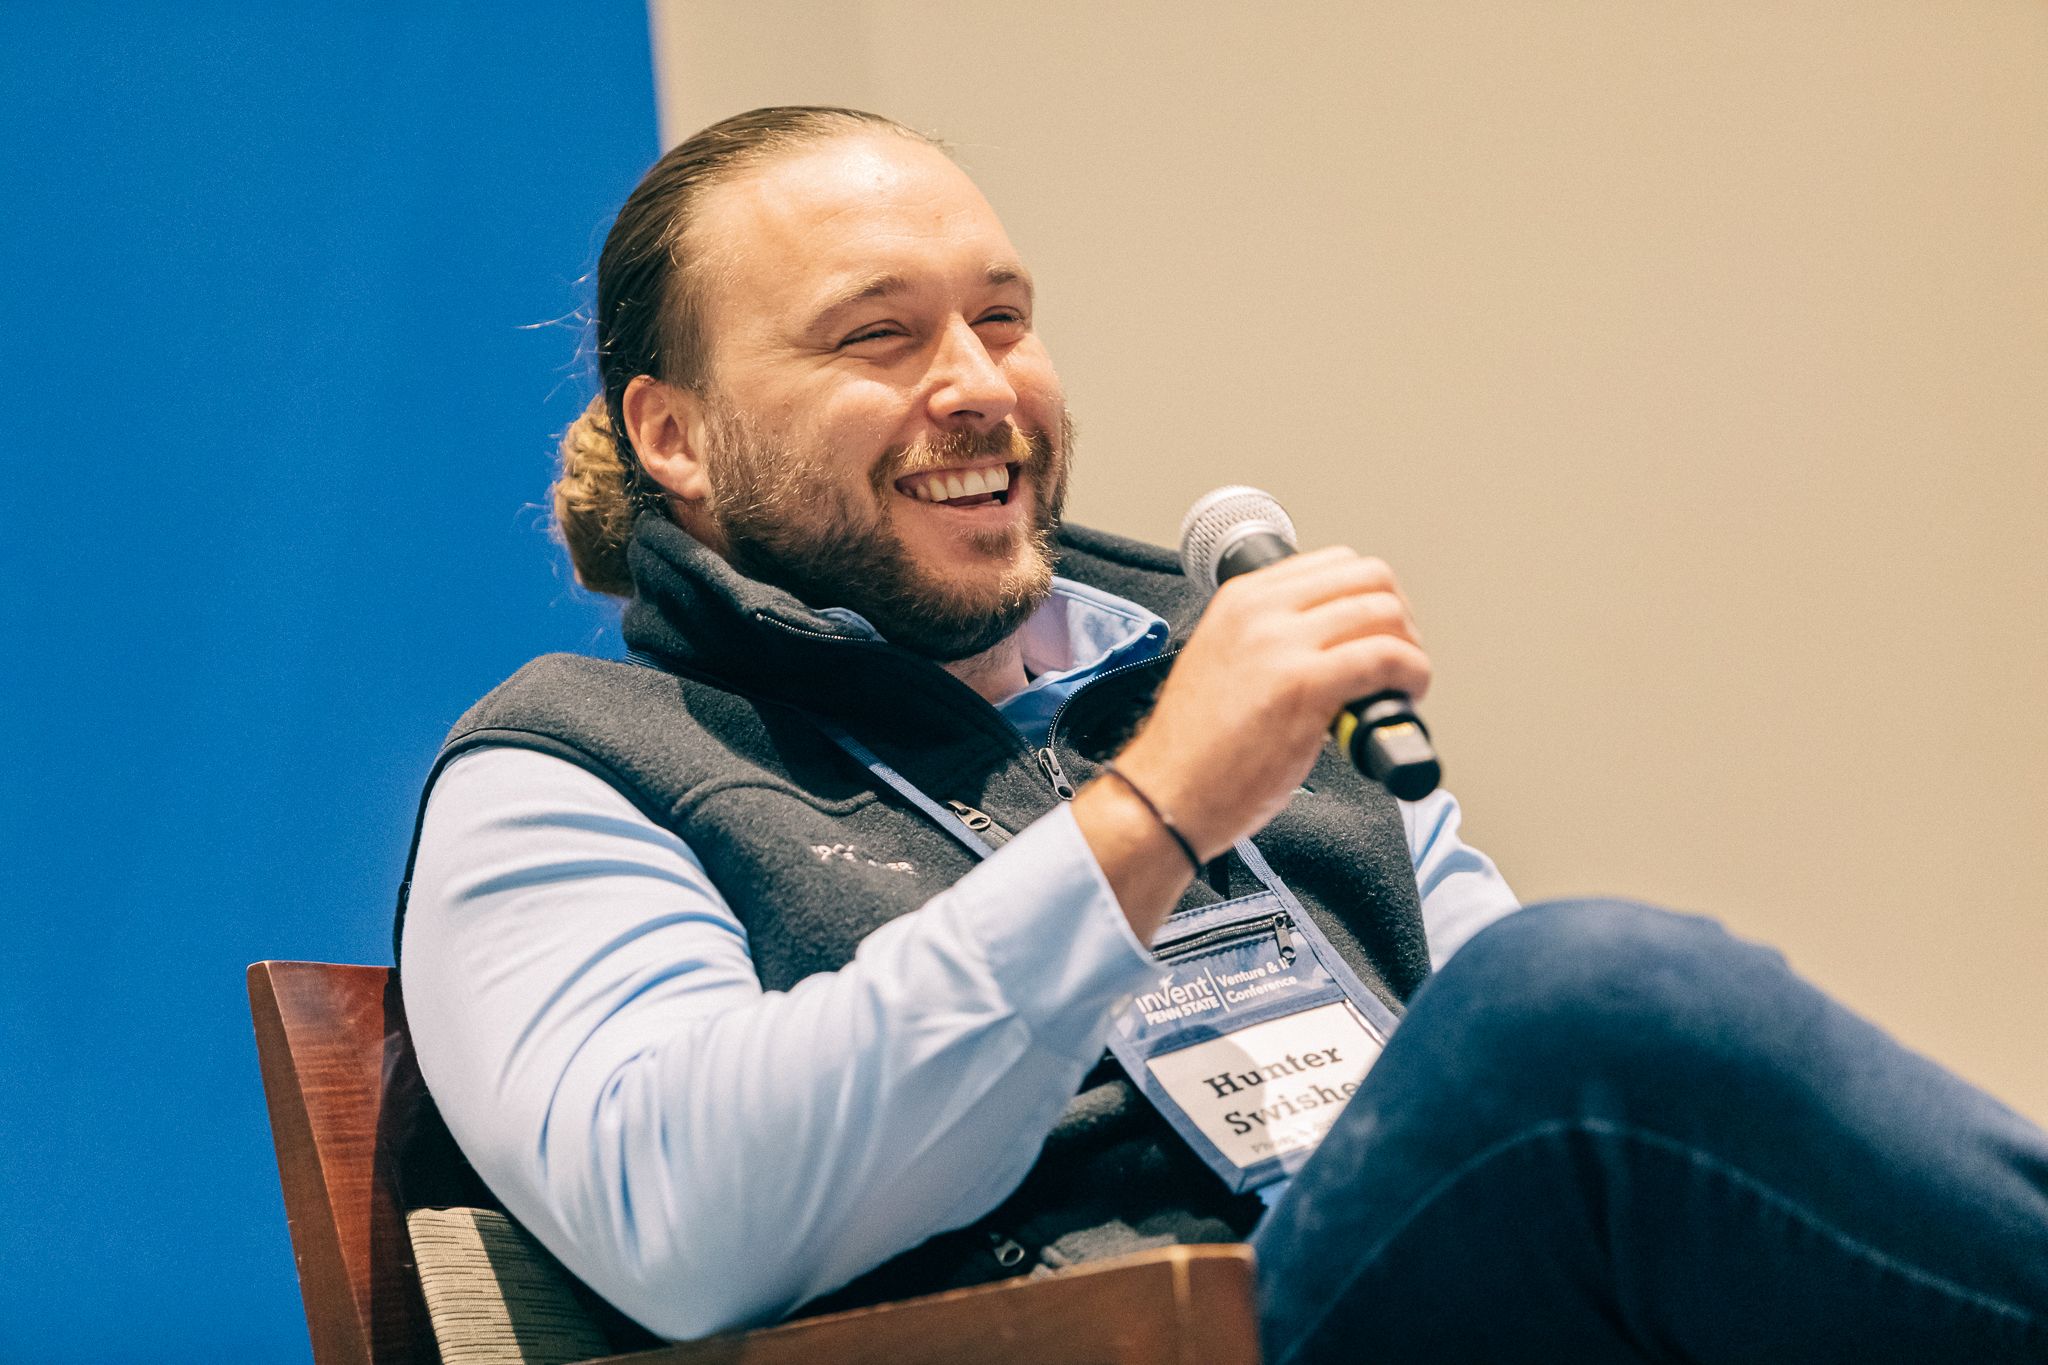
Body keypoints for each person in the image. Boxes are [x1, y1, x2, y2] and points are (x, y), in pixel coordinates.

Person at [397, 106, 2048, 1363]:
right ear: (674, 436)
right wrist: (1155, 810)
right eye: (877, 335)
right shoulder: (566, 770)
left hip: (1420, 1292)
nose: (979, 383)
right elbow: (681, 1214)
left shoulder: (1185, 653)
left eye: (1004, 316)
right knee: (1592, 1008)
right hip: (1110, 1332)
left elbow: (1487, 1041)